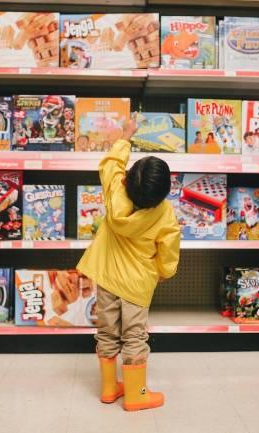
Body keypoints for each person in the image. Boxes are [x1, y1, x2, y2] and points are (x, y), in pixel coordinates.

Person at [77, 113, 181, 411]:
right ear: (163, 193)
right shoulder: (165, 214)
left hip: (106, 276)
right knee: (134, 335)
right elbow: (169, 250)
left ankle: (110, 388)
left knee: (107, 331)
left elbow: (110, 163)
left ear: (127, 179)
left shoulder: (114, 189)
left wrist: (126, 134)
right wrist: (164, 272)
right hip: (136, 284)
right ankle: (136, 395)